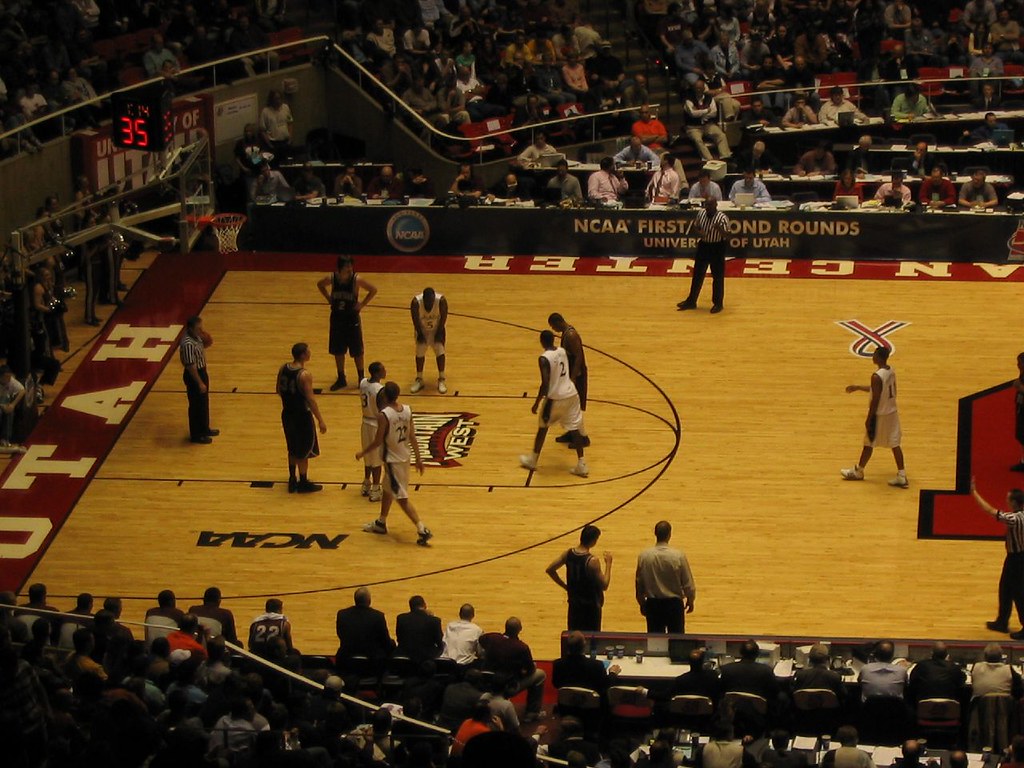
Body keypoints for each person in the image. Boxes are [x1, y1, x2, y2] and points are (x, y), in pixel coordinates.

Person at [357, 381, 434, 546]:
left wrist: (363, 452)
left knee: (402, 498)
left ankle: (422, 529)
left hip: (393, 461)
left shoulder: (384, 415)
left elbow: (378, 441)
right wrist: (419, 459)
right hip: (404, 458)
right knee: (387, 489)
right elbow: (412, 436)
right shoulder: (407, 410)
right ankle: (381, 522)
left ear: (384, 396)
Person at [519, 330, 590, 478]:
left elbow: (545, 384)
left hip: (555, 398)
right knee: (575, 428)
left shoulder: (544, 358)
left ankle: (533, 459)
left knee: (543, 428)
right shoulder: (562, 351)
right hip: (571, 393)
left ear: (542, 341)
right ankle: (582, 464)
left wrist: (537, 402)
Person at [841, 345, 908, 487]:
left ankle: (859, 472)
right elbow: (879, 390)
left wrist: (869, 418)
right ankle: (901, 475)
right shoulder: (890, 370)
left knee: (868, 443)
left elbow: (876, 398)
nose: (873, 356)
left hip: (880, 415)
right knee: (895, 444)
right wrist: (858, 387)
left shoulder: (876, 376)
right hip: (892, 412)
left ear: (879, 358)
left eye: (874, 355)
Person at [972, 478, 1024, 638]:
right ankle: (1002, 621)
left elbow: (990, 510)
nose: (1006, 502)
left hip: (1018, 559)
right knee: (1005, 589)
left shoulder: (1014, 519)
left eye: (1008, 499)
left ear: (1015, 503)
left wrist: (974, 492)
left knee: (1019, 593)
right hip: (1015, 558)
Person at [317, 257, 377, 391]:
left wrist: (362, 304)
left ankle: (361, 378)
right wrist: (328, 298)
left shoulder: (356, 279)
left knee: (357, 351)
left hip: (351, 318)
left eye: (351, 266)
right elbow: (320, 284)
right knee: (338, 350)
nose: (350, 269)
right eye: (347, 266)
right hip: (337, 317)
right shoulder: (332, 278)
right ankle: (341, 378)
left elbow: (373, 290)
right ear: (340, 267)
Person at [277, 342, 327, 494]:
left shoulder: (283, 368)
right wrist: (320, 419)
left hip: (287, 413)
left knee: (291, 447)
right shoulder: (304, 375)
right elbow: (311, 399)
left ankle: (292, 480)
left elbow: (278, 389)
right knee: (303, 450)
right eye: (308, 351)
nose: (310, 353)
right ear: (303, 355)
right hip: (301, 416)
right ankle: (303, 481)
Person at [545, 524, 612, 631]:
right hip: (590, 608)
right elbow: (604, 585)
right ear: (593, 540)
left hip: (574, 605)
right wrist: (608, 564)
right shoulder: (592, 561)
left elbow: (550, 570)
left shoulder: (568, 554)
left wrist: (565, 586)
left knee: (573, 638)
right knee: (591, 640)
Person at [478, 617, 547, 722]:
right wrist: (522, 671)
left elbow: (481, 639)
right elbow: (530, 670)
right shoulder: (521, 647)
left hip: (486, 682)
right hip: (507, 686)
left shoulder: (492, 638)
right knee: (540, 674)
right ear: (520, 629)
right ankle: (532, 712)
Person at [634, 520, 697, 633]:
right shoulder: (678, 556)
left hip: (653, 605)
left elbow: (639, 584)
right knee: (677, 642)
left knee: (655, 644)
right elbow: (688, 583)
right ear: (669, 534)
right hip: (674, 605)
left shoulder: (644, 556)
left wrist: (642, 603)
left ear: (655, 533)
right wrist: (690, 599)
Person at [677, 197, 730, 313]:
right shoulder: (701, 213)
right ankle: (691, 301)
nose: (708, 208)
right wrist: (699, 232)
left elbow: (727, 235)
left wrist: (719, 229)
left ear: (715, 205)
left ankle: (718, 303)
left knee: (717, 277)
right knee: (697, 275)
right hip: (704, 246)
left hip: (717, 247)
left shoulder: (722, 218)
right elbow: (695, 226)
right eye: (706, 205)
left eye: (710, 206)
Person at [548, 313, 589, 444]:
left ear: (559, 322)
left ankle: (583, 437)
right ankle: (572, 433)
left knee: (574, 407)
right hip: (572, 374)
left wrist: (573, 378)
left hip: (577, 375)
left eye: (553, 326)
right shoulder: (566, 333)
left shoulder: (571, 335)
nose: (553, 329)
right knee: (569, 406)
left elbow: (578, 357)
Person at [335, 587, 395, 674]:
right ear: (369, 600)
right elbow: (385, 641)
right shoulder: (377, 616)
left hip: (347, 660)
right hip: (372, 663)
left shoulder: (342, 614)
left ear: (355, 600)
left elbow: (340, 634)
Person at [179, 316, 217, 445]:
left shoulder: (197, 336)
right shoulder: (187, 343)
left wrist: (206, 338)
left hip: (202, 370)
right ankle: (196, 435)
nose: (201, 330)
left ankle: (204, 428)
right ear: (190, 328)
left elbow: (205, 345)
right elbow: (190, 365)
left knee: (204, 402)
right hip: (194, 374)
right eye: (198, 328)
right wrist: (199, 382)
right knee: (196, 405)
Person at [552, 630, 620, 695]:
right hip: (593, 706)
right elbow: (605, 686)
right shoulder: (597, 666)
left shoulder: (557, 664)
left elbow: (556, 684)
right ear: (584, 645)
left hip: (566, 705)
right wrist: (613, 673)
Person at [683, 77, 731, 162]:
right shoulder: (688, 99)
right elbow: (693, 114)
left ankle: (725, 157)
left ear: (704, 88)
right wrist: (706, 110)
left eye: (700, 88)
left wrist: (701, 114)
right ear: (694, 88)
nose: (698, 90)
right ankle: (709, 159)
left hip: (708, 125)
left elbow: (714, 112)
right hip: (693, 127)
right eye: (697, 88)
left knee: (721, 135)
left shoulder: (709, 98)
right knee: (698, 140)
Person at [410, 287, 448, 394]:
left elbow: (444, 317)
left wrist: (439, 332)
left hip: (437, 329)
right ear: (424, 298)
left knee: (440, 352)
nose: (429, 304)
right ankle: (419, 379)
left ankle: (441, 379)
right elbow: (415, 319)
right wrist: (420, 334)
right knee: (419, 353)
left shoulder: (441, 301)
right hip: (421, 329)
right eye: (427, 301)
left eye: (431, 301)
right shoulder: (415, 302)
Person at [358, 361, 386, 502]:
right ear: (376, 373)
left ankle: (366, 483)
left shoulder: (363, 382)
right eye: (382, 370)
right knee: (376, 460)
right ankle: (375, 489)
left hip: (365, 422)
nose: (385, 371)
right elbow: (383, 410)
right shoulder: (379, 389)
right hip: (375, 423)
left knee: (368, 456)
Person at [396, 595, 443, 663]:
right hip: (427, 659)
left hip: (405, 656)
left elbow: (399, 638)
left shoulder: (401, 618)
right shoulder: (434, 621)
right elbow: (439, 642)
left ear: (410, 607)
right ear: (425, 605)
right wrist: (431, 617)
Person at [0, 365, 26, 453]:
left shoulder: (11, 381)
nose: (8, 379)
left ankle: (5, 438)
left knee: (9, 413)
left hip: (5, 402)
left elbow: (22, 390)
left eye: (9, 376)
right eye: (6, 377)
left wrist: (13, 405)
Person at [1015, 353, 1024, 472]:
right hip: (1021, 407)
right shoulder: (1022, 373)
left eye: (1019, 362)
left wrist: (1020, 387)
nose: (1017, 365)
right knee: (1021, 435)